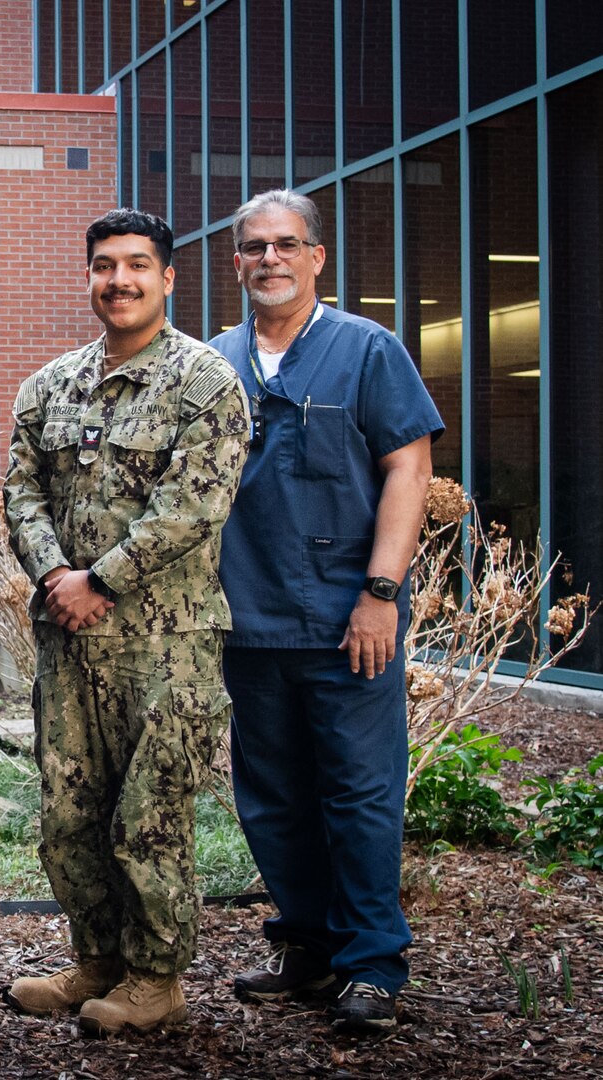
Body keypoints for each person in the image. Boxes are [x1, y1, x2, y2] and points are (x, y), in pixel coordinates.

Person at [2, 208, 250, 1035]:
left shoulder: (207, 381)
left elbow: (194, 507)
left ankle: (157, 977)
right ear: (90, 276)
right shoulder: (52, 384)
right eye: (106, 265)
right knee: (68, 815)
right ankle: (97, 959)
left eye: (138, 265)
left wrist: (99, 579)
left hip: (166, 645)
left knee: (149, 814)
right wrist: (54, 574)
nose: (120, 280)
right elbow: (21, 488)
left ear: (168, 277)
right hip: (70, 645)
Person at [210, 190, 441, 1033]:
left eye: (285, 244)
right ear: (235, 262)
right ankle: (306, 949)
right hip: (248, 617)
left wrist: (380, 594)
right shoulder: (214, 363)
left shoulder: (367, 350)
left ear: (317, 258)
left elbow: (408, 472)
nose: (268, 259)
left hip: (350, 620)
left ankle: (373, 965)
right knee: (271, 797)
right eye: (252, 247)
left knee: (360, 794)